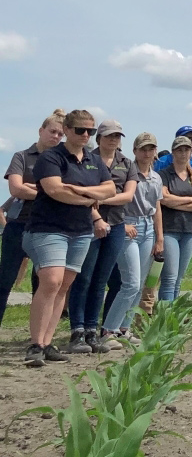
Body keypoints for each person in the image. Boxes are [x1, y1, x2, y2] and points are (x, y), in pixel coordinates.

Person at [23, 109, 116, 367]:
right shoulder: (51, 157)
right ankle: (35, 345)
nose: (86, 135)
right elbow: (54, 190)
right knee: (50, 281)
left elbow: (109, 189)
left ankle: (48, 342)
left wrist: (75, 188)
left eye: (91, 131)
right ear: (67, 129)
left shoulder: (93, 160)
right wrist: (89, 196)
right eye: (80, 130)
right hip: (48, 227)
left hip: (81, 230)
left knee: (63, 285)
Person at [65, 119, 137, 353]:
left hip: (116, 224)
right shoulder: (87, 160)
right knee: (83, 278)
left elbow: (128, 196)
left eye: (117, 136)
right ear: (100, 138)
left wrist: (100, 198)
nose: (114, 140)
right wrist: (95, 213)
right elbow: (78, 192)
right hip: (87, 224)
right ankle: (77, 330)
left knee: (100, 280)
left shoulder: (127, 163)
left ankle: (91, 330)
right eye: (109, 136)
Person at [1, 109, 65, 327]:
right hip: (19, 223)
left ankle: (37, 338)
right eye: (52, 131)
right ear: (41, 130)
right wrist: (51, 192)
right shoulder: (22, 156)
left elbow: (67, 191)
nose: (56, 137)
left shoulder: (62, 161)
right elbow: (16, 189)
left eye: (60, 134)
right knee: (5, 280)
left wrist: (36, 189)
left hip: (48, 226)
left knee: (43, 283)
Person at [99, 132, 162, 342]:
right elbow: (119, 199)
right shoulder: (127, 170)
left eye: (151, 148)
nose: (147, 152)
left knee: (141, 282)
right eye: (143, 148)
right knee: (131, 283)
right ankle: (108, 329)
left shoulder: (156, 177)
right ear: (134, 151)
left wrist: (159, 237)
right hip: (128, 225)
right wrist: (123, 223)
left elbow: (157, 208)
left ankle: (124, 329)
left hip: (148, 227)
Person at [158, 136, 192, 301]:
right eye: (179, 150)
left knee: (178, 278)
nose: (183, 153)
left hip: (189, 230)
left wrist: (175, 202)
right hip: (169, 229)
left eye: (186, 149)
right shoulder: (164, 174)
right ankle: (164, 317)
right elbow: (164, 198)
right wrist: (190, 200)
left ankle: (173, 317)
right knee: (169, 277)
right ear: (173, 152)